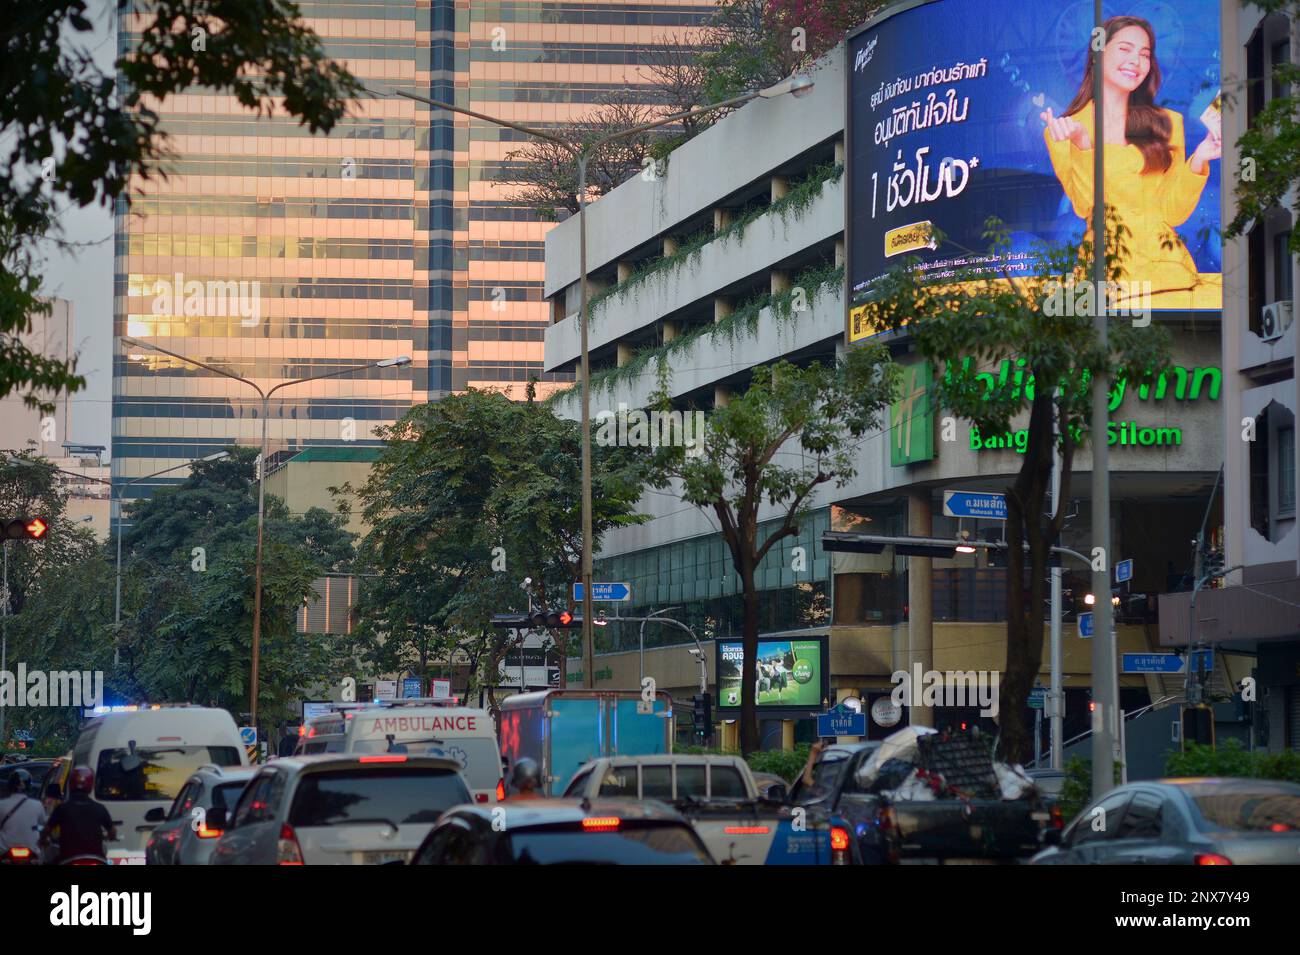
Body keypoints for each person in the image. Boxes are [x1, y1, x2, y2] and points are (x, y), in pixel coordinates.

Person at [1039, 15, 1221, 309]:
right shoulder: (1065, 129)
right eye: (1125, 49)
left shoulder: (1166, 123)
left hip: (1169, 270)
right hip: (1108, 274)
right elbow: (1087, 205)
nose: (1136, 61)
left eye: (1145, 54)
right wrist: (1083, 146)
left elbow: (1171, 213)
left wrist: (1198, 161)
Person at [39, 765, 116, 864]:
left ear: (71, 784)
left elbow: (47, 830)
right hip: (96, 858)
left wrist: (43, 840)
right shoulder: (99, 808)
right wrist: (111, 837)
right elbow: (112, 831)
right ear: (91, 784)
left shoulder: (62, 808)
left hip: (68, 858)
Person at [0, 769, 46, 860]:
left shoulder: (2, 804)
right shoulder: (37, 805)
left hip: (4, 851)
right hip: (32, 851)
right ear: (29, 786)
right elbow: (42, 825)